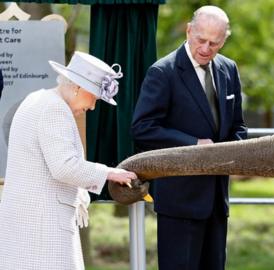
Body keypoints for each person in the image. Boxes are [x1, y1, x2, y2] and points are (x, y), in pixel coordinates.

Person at [131, 5, 247, 270]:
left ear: (224, 40)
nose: (206, 48)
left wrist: (236, 155)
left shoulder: (229, 69)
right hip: (179, 203)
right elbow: (142, 129)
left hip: (217, 203)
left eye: (214, 43)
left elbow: (239, 126)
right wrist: (194, 145)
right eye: (201, 40)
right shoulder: (163, 72)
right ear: (188, 31)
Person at [0, 51, 136, 270]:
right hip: (42, 229)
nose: (92, 107)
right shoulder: (54, 108)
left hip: (29, 225)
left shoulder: (38, 98)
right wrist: (110, 173)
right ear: (78, 87)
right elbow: (64, 167)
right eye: (95, 98)